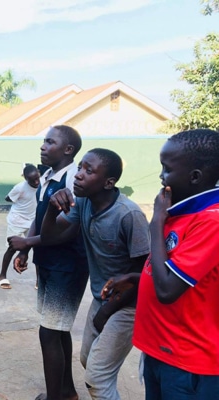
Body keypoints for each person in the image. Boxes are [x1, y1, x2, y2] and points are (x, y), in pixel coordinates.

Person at [102, 129, 219, 399]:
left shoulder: (210, 221)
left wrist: (156, 222)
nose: (161, 177)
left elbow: (167, 290)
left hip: (189, 363)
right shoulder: (182, 213)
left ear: (195, 177)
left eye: (166, 169)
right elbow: (176, 273)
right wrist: (138, 277)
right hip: (162, 351)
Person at [39, 147, 150, 400]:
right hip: (103, 298)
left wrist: (107, 312)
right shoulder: (84, 203)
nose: (78, 175)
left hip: (129, 305)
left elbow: (144, 272)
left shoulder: (128, 215)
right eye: (80, 168)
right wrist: (51, 210)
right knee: (88, 360)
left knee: (97, 379)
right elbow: (50, 237)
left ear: (109, 182)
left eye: (89, 171)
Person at [8, 125, 89, 400]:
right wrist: (26, 251)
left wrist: (28, 243)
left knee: (49, 334)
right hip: (49, 263)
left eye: (50, 142)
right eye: (44, 141)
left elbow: (69, 229)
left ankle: (56, 397)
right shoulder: (48, 176)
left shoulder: (73, 180)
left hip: (67, 266)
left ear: (68, 149)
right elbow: (39, 216)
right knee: (58, 329)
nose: (43, 146)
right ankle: (66, 392)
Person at [0, 163, 40, 289]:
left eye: (38, 178)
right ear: (26, 179)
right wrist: (20, 201)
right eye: (33, 180)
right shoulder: (20, 188)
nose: (37, 182)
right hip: (17, 221)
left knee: (38, 249)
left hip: (33, 221)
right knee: (12, 248)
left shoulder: (43, 183)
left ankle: (39, 281)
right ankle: (2, 275)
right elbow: (8, 198)